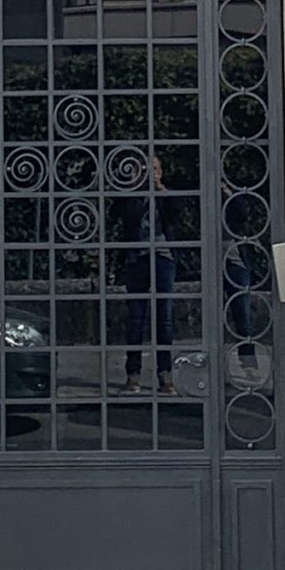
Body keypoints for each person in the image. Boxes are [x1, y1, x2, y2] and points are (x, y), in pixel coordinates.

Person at [117, 152, 178, 394]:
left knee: (164, 318)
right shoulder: (132, 196)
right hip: (137, 259)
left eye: (154, 169)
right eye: (146, 169)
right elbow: (123, 219)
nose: (150, 174)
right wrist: (139, 191)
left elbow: (177, 216)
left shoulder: (167, 194)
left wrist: (161, 191)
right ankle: (133, 375)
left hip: (163, 257)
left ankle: (165, 375)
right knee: (136, 319)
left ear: (160, 172)